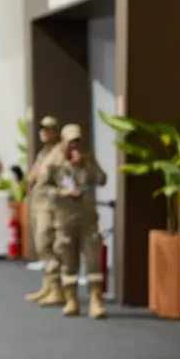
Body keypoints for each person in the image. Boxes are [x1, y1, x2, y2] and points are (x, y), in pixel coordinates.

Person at [38, 124, 107, 318]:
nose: (74, 146)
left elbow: (102, 179)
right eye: (71, 142)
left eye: (78, 142)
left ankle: (96, 300)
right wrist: (63, 192)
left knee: (93, 260)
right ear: (63, 142)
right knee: (68, 260)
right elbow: (43, 188)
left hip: (87, 219)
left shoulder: (88, 159)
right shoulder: (54, 162)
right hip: (64, 219)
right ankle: (71, 300)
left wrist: (85, 164)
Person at [25, 116, 63, 304]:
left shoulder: (58, 152)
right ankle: (48, 285)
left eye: (49, 129)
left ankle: (57, 287)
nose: (44, 132)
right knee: (41, 246)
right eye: (42, 129)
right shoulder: (44, 152)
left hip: (48, 205)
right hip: (37, 203)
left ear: (56, 131)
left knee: (45, 244)